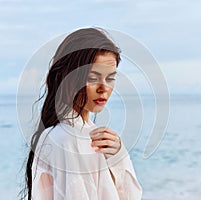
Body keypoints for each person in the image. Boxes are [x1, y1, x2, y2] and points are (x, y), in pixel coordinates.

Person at [20, 27, 142, 200]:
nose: (104, 88)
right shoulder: (70, 139)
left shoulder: (63, 135)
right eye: (93, 78)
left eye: (110, 78)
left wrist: (118, 156)